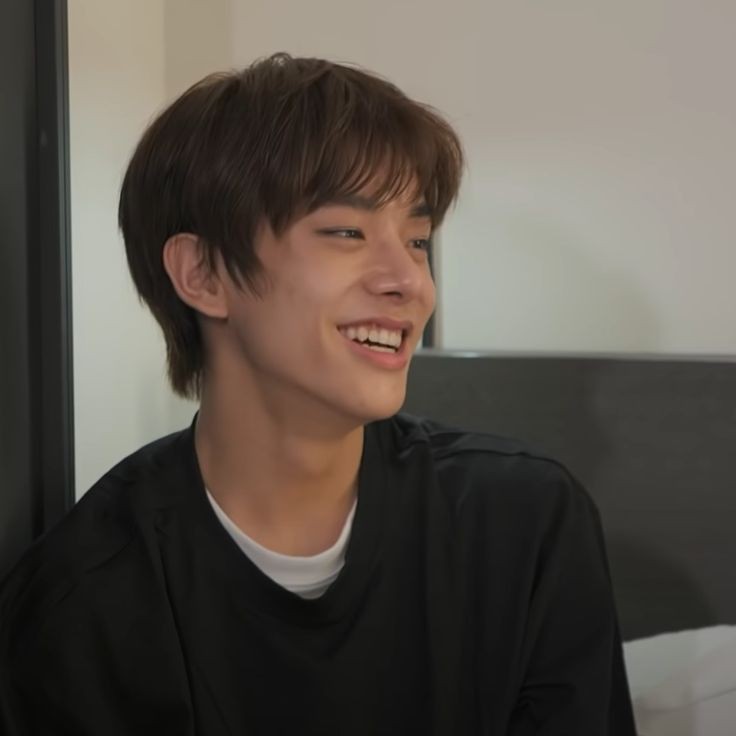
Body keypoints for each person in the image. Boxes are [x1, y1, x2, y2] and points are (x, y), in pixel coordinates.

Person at [0, 53, 636, 735]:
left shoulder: (521, 525)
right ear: (203, 272)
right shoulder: (86, 597)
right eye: (347, 232)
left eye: (417, 240)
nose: (409, 282)